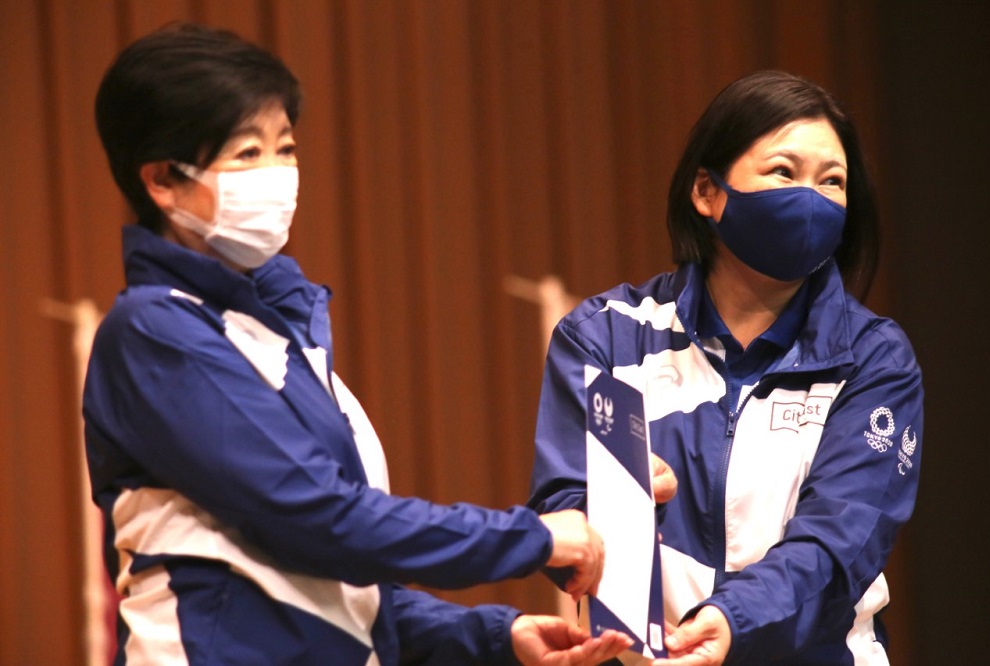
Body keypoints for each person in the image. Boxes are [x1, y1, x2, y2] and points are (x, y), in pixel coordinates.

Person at [84, 23, 632, 665]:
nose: (277, 174)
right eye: (245, 154)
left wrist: (493, 635)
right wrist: (532, 537)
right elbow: (321, 519)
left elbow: (333, 584)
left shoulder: (274, 326)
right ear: (162, 182)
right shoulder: (157, 332)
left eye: (284, 148)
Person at [528, 70, 923, 665]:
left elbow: (844, 537)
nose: (811, 199)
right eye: (784, 172)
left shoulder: (873, 358)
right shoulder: (605, 337)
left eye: (833, 182)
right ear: (707, 193)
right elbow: (565, 522)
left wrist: (728, 618)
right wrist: (624, 500)